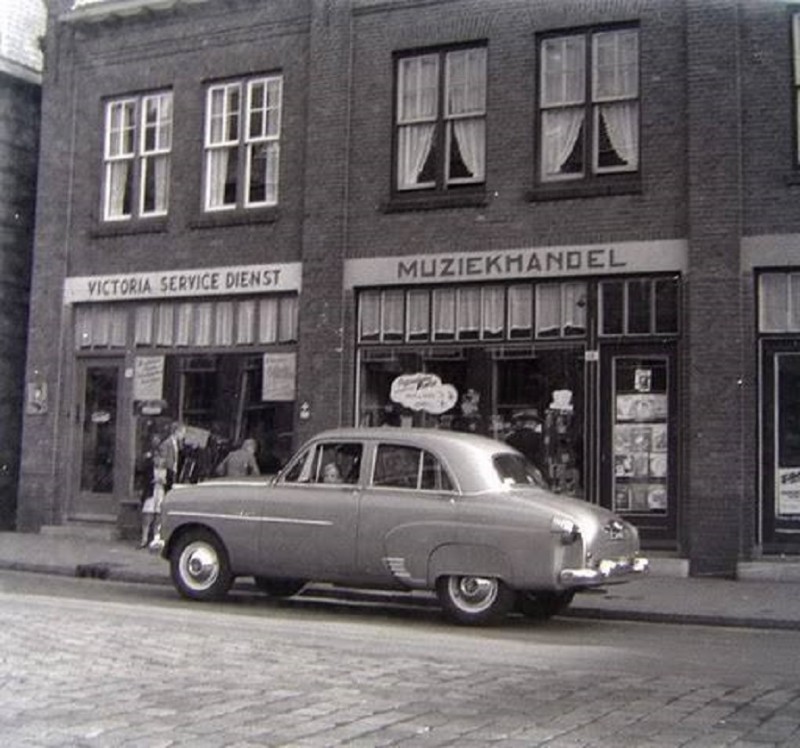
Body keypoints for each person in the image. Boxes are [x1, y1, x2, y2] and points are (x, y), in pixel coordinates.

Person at [158, 421, 185, 491]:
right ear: (176, 432)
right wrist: (162, 474)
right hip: (168, 471)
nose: (183, 435)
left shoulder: (177, 444)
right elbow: (162, 459)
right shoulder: (166, 444)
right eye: (182, 433)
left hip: (173, 471)